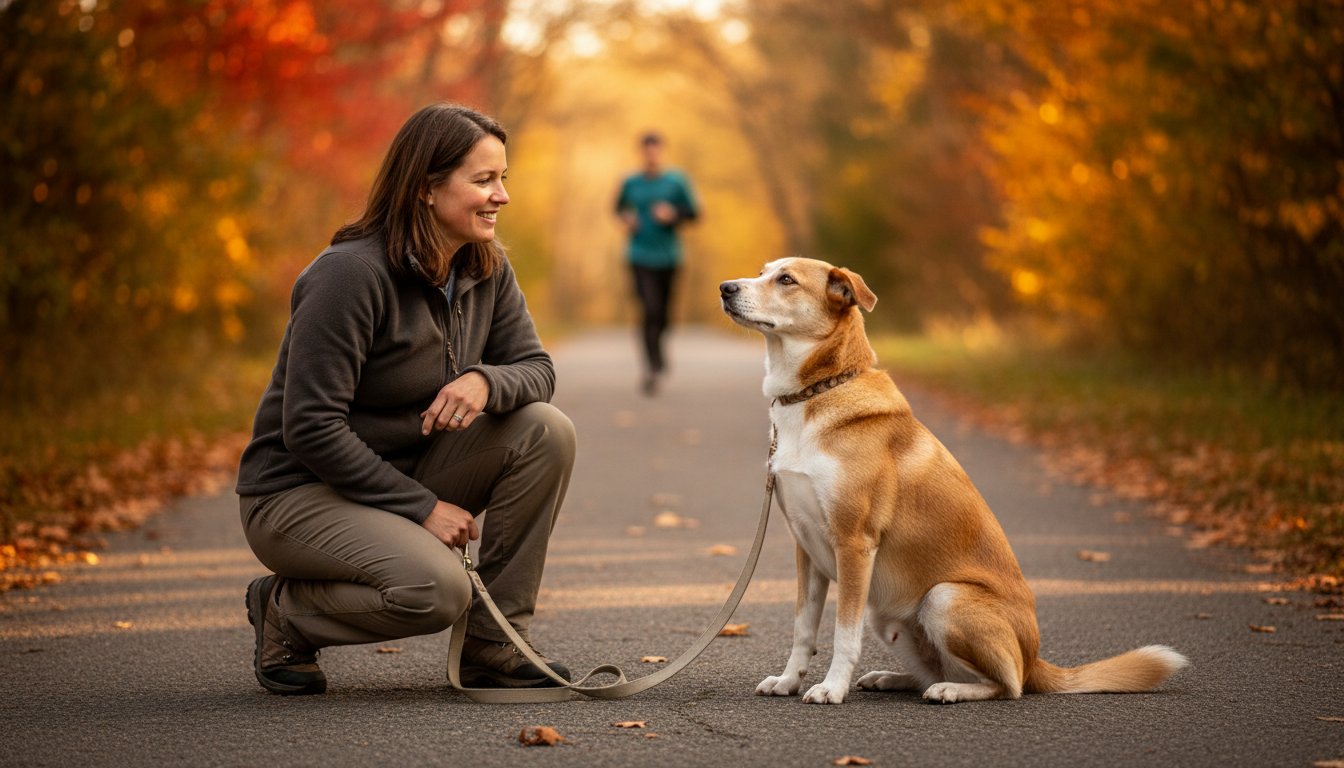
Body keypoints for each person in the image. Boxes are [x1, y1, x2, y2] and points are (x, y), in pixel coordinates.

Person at [235, 103, 575, 695]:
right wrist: (421, 507)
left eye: (503, 179)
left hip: (404, 473)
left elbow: (537, 371)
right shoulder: (349, 275)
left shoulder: (485, 267)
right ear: (426, 188)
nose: (501, 196)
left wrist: (485, 381)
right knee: (436, 590)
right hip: (297, 493)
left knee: (545, 429)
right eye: (483, 180)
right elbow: (310, 426)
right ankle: (285, 612)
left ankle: (495, 642)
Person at [614, 131, 699, 395]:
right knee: (649, 309)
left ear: (661, 152)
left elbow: (694, 213)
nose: (651, 156)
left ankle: (658, 351)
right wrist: (627, 218)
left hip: (669, 257)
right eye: (647, 151)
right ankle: (652, 366)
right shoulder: (631, 182)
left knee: (664, 314)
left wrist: (673, 214)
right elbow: (618, 208)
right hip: (639, 256)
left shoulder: (676, 181)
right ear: (641, 153)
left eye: (655, 151)